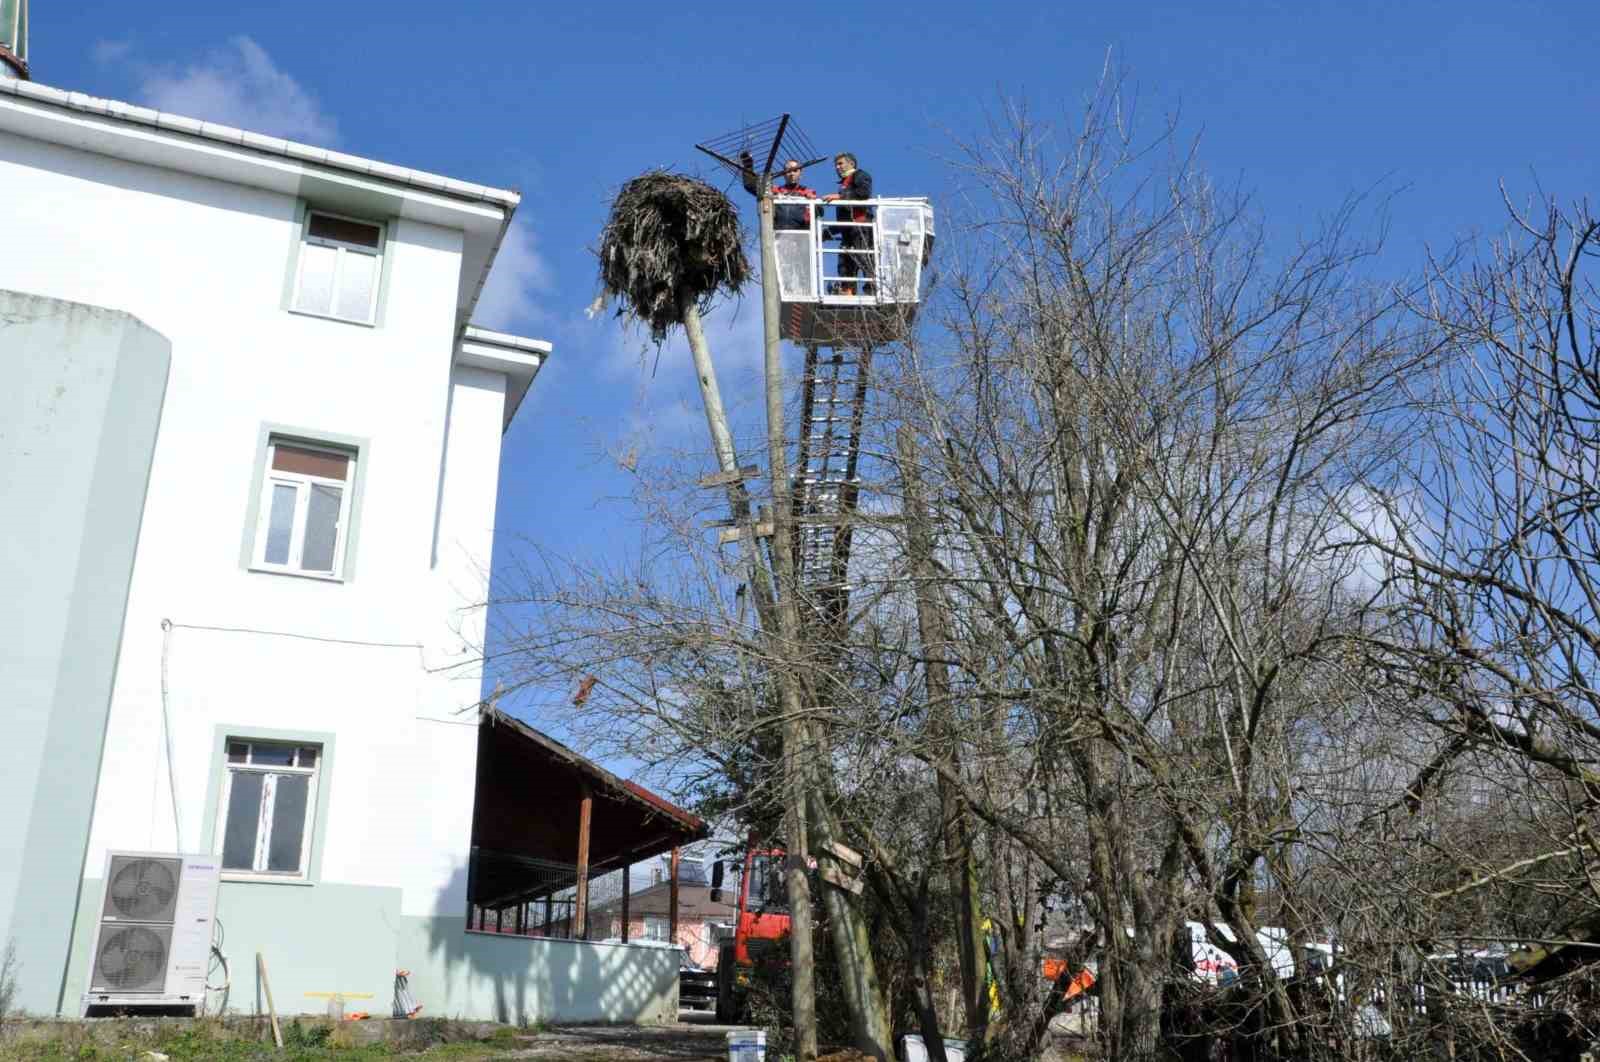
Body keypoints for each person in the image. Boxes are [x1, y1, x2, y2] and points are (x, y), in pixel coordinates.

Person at [821, 153, 873, 294]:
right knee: (845, 263)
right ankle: (848, 292)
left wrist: (840, 196)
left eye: (840, 163)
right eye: (836, 165)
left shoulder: (860, 175)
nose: (837, 167)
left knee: (864, 258)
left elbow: (863, 193)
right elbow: (844, 221)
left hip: (861, 227)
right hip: (849, 230)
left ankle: (871, 291)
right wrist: (827, 232)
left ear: (851, 164)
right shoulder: (844, 184)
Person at [738, 154, 818, 231]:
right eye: (788, 171)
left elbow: (819, 212)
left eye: (795, 170)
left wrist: (814, 203)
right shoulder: (776, 191)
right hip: (778, 236)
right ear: (784, 174)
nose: (792, 174)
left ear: (800, 173)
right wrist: (748, 165)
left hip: (801, 236)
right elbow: (751, 185)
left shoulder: (807, 192)